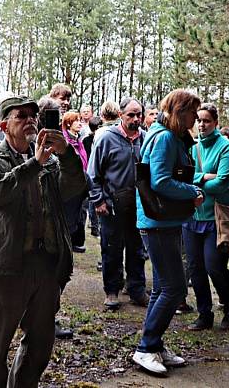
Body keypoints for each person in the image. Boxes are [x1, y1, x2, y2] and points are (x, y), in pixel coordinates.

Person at [0, 96, 87, 388]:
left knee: (39, 345)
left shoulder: (49, 162)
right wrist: (35, 163)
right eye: (20, 115)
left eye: (33, 115)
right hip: (5, 265)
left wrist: (65, 154)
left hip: (45, 264)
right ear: (3, 125)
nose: (29, 120)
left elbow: (74, 187)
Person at [131, 90, 204, 375]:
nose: (195, 118)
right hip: (157, 224)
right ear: (179, 111)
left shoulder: (169, 135)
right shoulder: (163, 138)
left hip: (164, 222)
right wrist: (192, 191)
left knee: (163, 287)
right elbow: (160, 181)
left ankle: (154, 344)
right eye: (192, 112)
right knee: (174, 287)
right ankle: (146, 348)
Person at [184, 103, 229, 331]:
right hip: (193, 216)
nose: (201, 124)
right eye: (198, 120)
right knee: (195, 268)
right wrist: (203, 176)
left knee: (214, 266)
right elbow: (183, 175)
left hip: (216, 218)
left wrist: (196, 181)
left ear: (215, 122)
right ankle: (204, 313)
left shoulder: (226, 148)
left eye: (206, 120)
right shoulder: (192, 147)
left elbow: (221, 183)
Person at [88, 97, 148, 310]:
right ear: (121, 115)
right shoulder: (106, 138)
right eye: (131, 114)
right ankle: (112, 291)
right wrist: (98, 200)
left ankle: (137, 290)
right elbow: (93, 172)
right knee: (111, 248)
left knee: (137, 248)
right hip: (111, 204)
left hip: (138, 205)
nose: (135, 118)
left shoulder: (146, 139)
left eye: (139, 114)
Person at [61, 111, 88, 253]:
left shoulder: (79, 140)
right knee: (69, 215)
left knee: (80, 214)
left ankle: (76, 241)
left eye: (80, 120)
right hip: (70, 184)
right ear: (68, 124)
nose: (80, 123)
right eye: (76, 121)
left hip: (81, 182)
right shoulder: (65, 142)